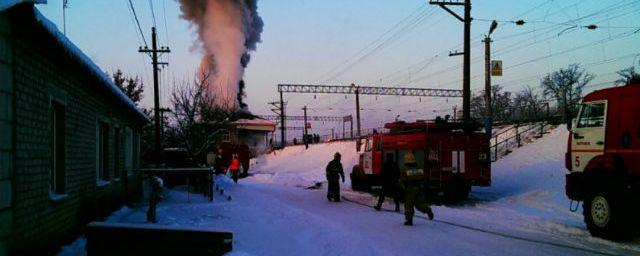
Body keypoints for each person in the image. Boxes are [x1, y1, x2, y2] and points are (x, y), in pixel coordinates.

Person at [399, 151, 434, 226]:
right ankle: (427, 210)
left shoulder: (404, 169)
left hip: (410, 189)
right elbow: (422, 178)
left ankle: (409, 220)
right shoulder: (418, 168)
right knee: (420, 203)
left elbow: (402, 180)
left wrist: (403, 188)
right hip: (419, 188)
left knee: (408, 205)